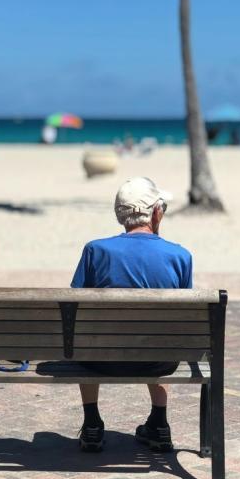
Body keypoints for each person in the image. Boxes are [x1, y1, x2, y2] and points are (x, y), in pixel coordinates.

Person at [70, 177, 193, 453]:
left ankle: (91, 423)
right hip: (158, 362)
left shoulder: (95, 250)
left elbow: (73, 306)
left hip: (100, 360)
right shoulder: (180, 256)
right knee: (162, 333)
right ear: (156, 213)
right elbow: (182, 321)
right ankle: (159, 423)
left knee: (86, 336)